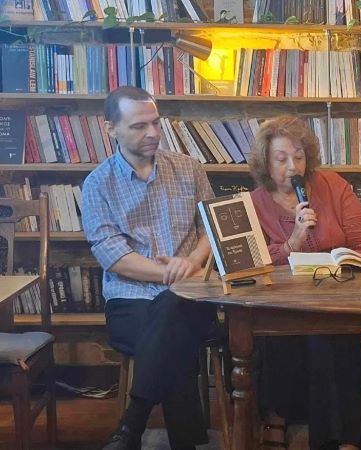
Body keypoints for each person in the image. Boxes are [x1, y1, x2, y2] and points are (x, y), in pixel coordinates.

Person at [82, 86, 218, 450]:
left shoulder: (189, 168)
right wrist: (169, 274)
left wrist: (191, 262)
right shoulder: (98, 184)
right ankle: (187, 442)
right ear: (111, 129)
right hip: (130, 299)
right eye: (139, 126)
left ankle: (133, 423)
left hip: (192, 295)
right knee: (174, 329)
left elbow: (210, 228)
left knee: (173, 310)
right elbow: (113, 255)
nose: (153, 133)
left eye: (156, 123)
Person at [248, 115, 361, 450]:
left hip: (338, 296)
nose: (292, 167)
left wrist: (343, 262)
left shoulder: (333, 186)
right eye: (281, 159)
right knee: (304, 336)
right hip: (284, 302)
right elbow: (253, 263)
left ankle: (342, 439)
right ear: (265, 162)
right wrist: (293, 241)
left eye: (298, 157)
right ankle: (286, 419)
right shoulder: (254, 203)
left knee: (333, 335)